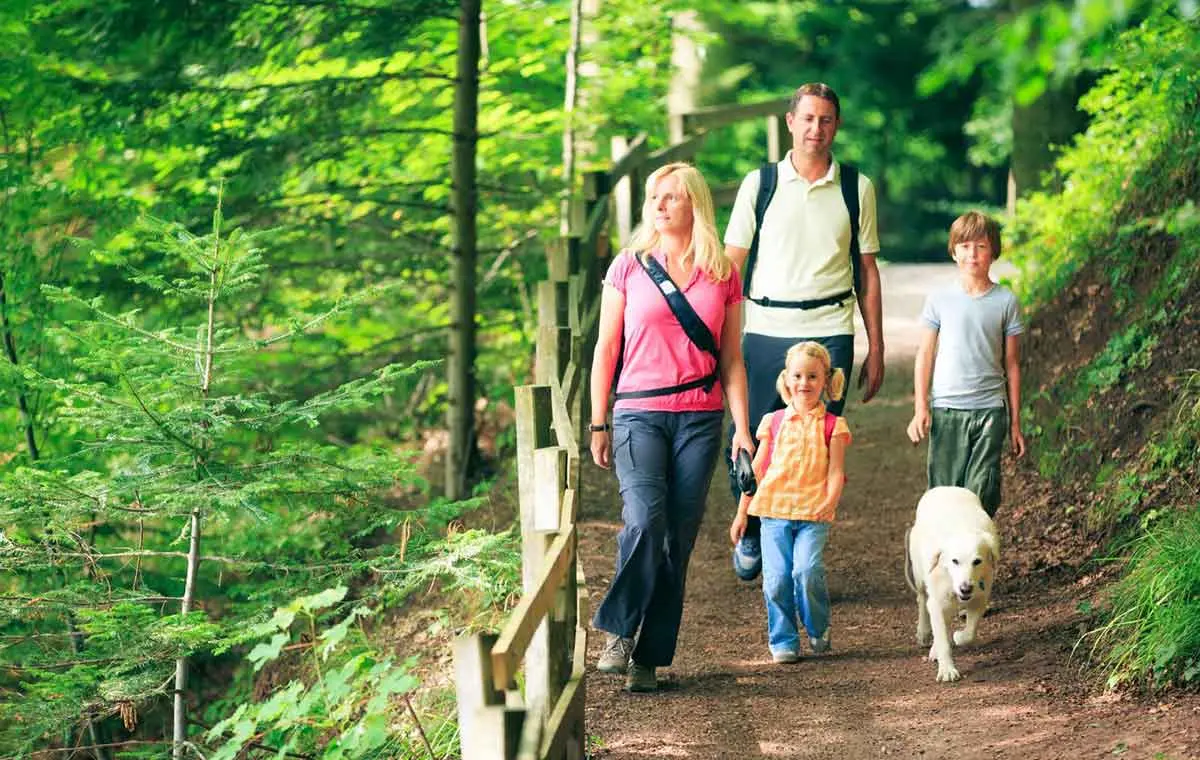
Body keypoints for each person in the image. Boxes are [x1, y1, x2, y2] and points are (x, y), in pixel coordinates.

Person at [589, 161, 755, 693]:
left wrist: (744, 430)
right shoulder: (628, 267)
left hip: (700, 420)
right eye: (654, 197)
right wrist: (598, 421)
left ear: (695, 205)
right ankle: (618, 631)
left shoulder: (723, 273)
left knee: (676, 540)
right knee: (643, 520)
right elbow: (605, 348)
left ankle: (650, 656)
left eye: (671, 197)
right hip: (638, 412)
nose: (660, 206)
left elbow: (732, 359)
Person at [723, 82, 884, 581]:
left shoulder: (857, 188)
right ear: (791, 122)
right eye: (808, 119)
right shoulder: (761, 184)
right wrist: (719, 339)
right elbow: (732, 263)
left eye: (827, 120)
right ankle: (751, 527)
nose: (817, 129)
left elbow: (868, 271)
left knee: (815, 444)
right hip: (768, 327)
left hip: (831, 328)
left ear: (837, 126)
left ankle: (797, 550)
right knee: (751, 434)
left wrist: (876, 346)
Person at [729, 341, 850, 663]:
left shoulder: (833, 426)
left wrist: (829, 502)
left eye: (812, 376)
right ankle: (783, 640)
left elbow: (837, 472)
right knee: (777, 578)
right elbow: (755, 471)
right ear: (786, 380)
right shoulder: (774, 421)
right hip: (773, 513)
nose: (804, 383)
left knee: (806, 570)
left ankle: (817, 626)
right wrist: (742, 513)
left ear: (825, 381)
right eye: (797, 375)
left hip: (813, 513)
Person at [906, 210, 1026, 517]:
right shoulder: (939, 299)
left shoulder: (1006, 301)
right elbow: (925, 354)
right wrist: (921, 407)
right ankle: (941, 559)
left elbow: (1012, 364)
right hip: (947, 408)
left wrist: (1015, 422)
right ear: (954, 251)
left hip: (990, 410)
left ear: (993, 252)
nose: (973, 254)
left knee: (982, 491)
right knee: (944, 493)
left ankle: (975, 560)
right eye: (965, 246)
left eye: (981, 246)